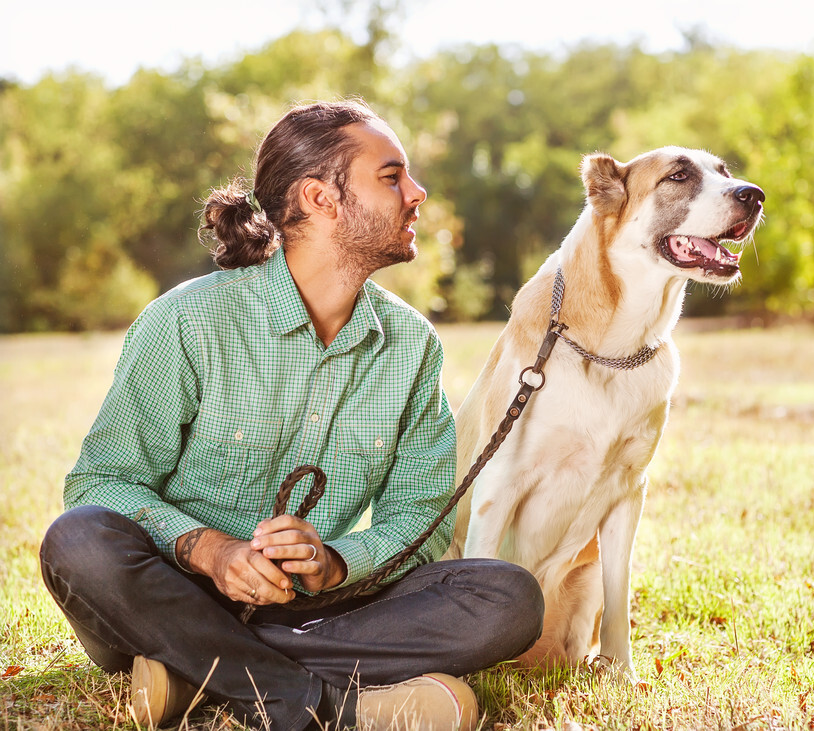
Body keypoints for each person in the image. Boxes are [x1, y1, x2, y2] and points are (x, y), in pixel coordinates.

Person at [39, 99, 544, 731]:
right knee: (80, 538)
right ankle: (327, 705)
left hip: (318, 610)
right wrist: (212, 553)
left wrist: (332, 562)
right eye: (392, 176)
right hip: (167, 596)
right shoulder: (189, 321)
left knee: (507, 598)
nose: (417, 193)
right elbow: (101, 484)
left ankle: (194, 674)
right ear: (320, 197)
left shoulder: (411, 345)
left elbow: (419, 521)